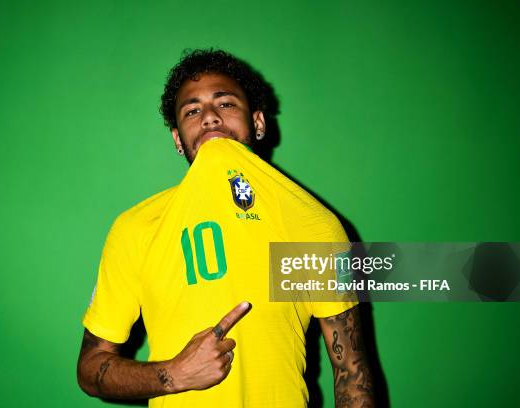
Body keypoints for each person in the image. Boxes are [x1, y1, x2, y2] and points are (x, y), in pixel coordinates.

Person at [77, 49, 375, 407]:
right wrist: (174, 374)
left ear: (259, 123)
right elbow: (90, 369)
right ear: (177, 139)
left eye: (226, 104)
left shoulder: (310, 223)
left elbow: (352, 376)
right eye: (192, 110)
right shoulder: (137, 228)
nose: (209, 118)